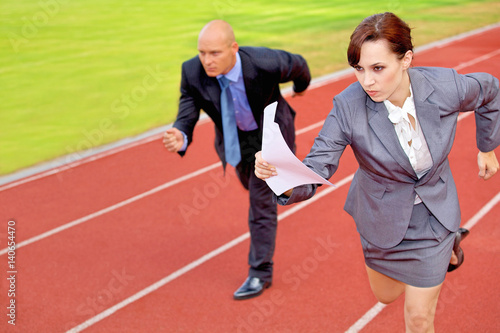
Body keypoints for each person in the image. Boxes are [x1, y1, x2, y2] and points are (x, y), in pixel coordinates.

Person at [254, 12, 500, 332]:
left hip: (434, 213)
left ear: (406, 59)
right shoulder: (348, 107)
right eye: (359, 69)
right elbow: (318, 165)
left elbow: (491, 90)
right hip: (381, 215)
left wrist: (486, 147)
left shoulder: (445, 87)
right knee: (386, 295)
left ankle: (442, 247)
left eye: (378, 68)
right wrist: (281, 177)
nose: (366, 81)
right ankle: (447, 250)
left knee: (419, 317)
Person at [163, 20, 310, 300]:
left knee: (261, 201)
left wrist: (300, 88)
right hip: (236, 142)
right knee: (250, 184)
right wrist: (181, 133)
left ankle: (260, 272)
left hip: (270, 134)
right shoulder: (192, 71)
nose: (207, 60)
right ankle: (273, 191)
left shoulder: (264, 62)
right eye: (202, 52)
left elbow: (299, 65)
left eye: (215, 53)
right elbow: (188, 105)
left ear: (234, 48)